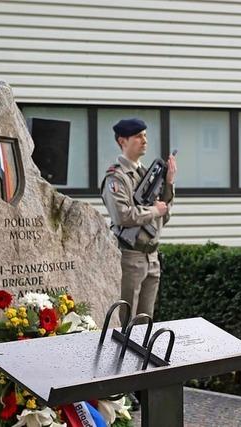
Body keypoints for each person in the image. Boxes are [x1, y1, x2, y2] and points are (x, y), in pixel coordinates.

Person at [101, 118, 177, 323]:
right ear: (122, 141)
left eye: (145, 135)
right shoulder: (116, 177)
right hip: (130, 256)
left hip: (151, 256)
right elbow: (122, 216)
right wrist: (154, 210)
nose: (144, 140)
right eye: (138, 136)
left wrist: (169, 183)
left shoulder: (148, 174)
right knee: (125, 320)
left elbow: (164, 215)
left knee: (145, 321)